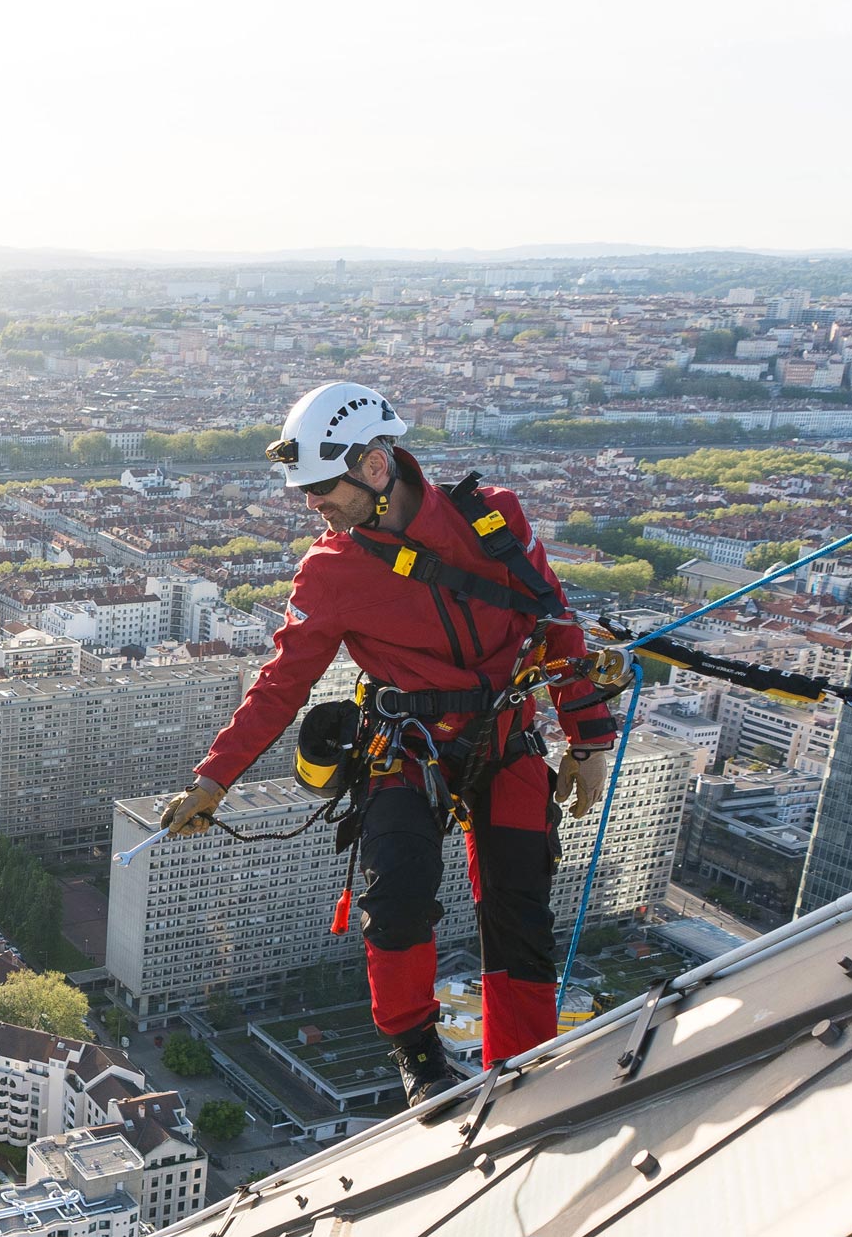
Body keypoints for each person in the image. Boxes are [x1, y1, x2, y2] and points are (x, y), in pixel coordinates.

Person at [159, 382, 618, 1104]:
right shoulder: (331, 569)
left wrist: (588, 739)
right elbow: (282, 683)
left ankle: (524, 1066)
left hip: (505, 739)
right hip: (408, 747)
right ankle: (416, 1051)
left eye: (321, 488)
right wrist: (214, 781)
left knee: (520, 905)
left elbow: (555, 625)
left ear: (375, 467)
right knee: (396, 900)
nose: (313, 505)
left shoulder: (494, 520)